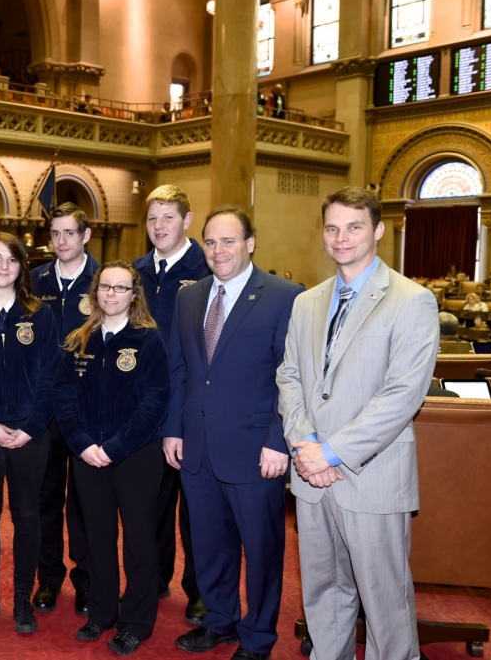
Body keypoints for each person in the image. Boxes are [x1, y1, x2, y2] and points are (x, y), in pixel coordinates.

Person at [277, 187, 439, 660]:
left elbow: (402, 396)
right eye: (332, 227)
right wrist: (306, 444)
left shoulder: (412, 301)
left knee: (385, 603)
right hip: (312, 476)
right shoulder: (306, 302)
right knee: (324, 595)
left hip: (372, 477)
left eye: (354, 227)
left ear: (378, 231)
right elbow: (289, 376)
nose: (341, 237)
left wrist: (331, 452)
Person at [163, 207, 301, 658]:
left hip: (256, 451)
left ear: (250, 243)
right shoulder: (189, 297)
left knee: (261, 552)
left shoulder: (285, 297)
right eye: (211, 242)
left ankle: (258, 637)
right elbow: (180, 370)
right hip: (197, 449)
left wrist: (278, 441)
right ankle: (219, 621)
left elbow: (291, 377)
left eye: (228, 241)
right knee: (208, 545)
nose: (218, 251)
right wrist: (173, 430)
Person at [53, 260, 169, 656]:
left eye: (121, 288)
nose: (112, 295)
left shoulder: (148, 340)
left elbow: (155, 402)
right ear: (95, 292)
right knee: (97, 538)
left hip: (135, 456)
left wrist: (116, 446)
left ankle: (137, 622)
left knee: (139, 540)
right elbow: (64, 397)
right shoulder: (79, 340)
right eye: (106, 287)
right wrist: (83, 443)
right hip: (87, 455)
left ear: (134, 295)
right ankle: (102, 612)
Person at [0, 233, 61, 635]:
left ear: (23, 267)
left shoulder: (40, 314)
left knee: (26, 515)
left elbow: (52, 377)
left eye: (13, 260)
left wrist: (32, 428)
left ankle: (23, 595)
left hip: (29, 436)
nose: (4, 267)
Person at [130, 185, 211, 623]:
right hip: (147, 409)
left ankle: (198, 589)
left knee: (195, 508)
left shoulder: (207, 267)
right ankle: (155, 578)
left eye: (168, 218)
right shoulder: (136, 270)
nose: (159, 227)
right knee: (150, 505)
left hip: (194, 405)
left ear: (187, 220)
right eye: (153, 219)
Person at [30, 202, 99, 617]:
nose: (61, 242)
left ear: (86, 236)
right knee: (45, 497)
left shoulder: (104, 280)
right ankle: (48, 579)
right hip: (44, 408)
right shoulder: (36, 280)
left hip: (90, 409)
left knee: (87, 500)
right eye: (55, 234)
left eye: (69, 233)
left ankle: (88, 581)